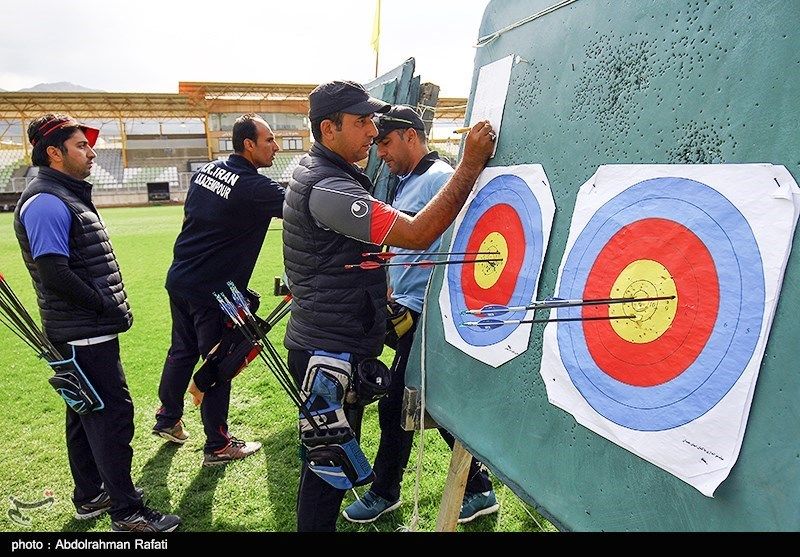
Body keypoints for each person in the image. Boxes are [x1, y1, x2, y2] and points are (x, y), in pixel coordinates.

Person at [283, 81, 495, 531]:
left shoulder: (324, 174)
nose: (371, 133)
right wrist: (472, 162)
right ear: (328, 128)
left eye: (375, 125)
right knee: (327, 469)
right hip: (328, 349)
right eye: (361, 124)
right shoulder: (329, 188)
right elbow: (417, 234)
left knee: (332, 461)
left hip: (335, 341)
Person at [13, 114, 181, 532]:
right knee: (110, 417)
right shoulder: (48, 200)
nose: (91, 153)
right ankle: (127, 512)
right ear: (54, 153)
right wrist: (104, 306)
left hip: (81, 330)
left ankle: (90, 496)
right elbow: (54, 272)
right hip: (83, 332)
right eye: (80, 147)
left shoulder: (61, 195)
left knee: (84, 414)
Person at [341, 106, 499, 525]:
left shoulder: (439, 178)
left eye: (387, 142)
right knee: (427, 400)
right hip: (406, 309)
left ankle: (384, 492)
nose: (382, 153)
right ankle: (480, 488)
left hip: (430, 313)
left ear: (412, 136)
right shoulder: (406, 180)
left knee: (396, 405)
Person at [152, 113, 285, 467]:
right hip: (212, 291)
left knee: (181, 351)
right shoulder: (254, 187)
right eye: (269, 140)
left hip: (180, 277)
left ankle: (168, 418)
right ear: (248, 145)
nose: (276, 147)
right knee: (220, 359)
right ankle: (218, 445)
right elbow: (300, 207)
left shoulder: (207, 170)